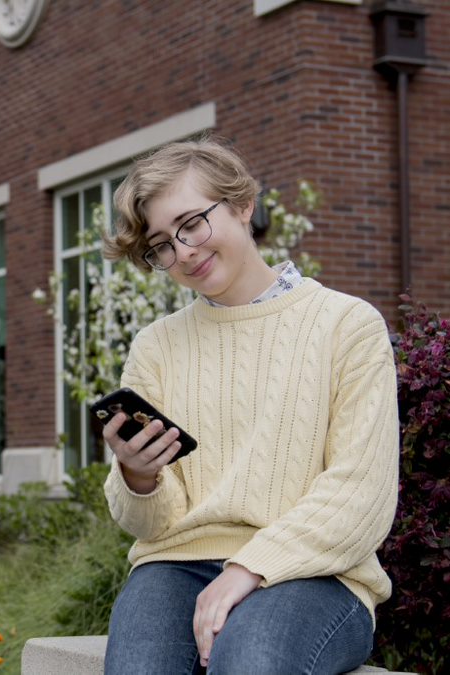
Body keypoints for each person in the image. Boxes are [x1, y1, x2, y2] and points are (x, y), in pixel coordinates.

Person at [100, 138, 399, 675]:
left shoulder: (346, 326)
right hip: (176, 564)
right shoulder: (156, 345)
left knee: (251, 660)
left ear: (242, 205)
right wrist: (137, 476)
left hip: (316, 574)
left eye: (191, 224)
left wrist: (248, 568)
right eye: (162, 245)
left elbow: (361, 493)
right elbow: (149, 525)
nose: (183, 252)